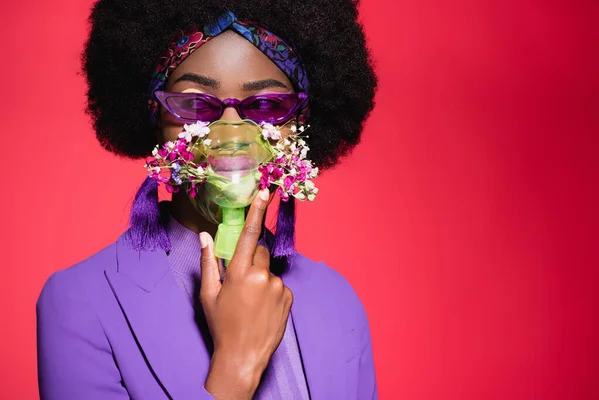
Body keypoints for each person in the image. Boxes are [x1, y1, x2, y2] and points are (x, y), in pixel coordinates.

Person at [36, 0, 377, 398]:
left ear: (299, 123)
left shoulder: (338, 302)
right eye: (195, 105)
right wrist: (236, 363)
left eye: (267, 106)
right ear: (154, 114)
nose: (231, 133)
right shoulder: (79, 303)